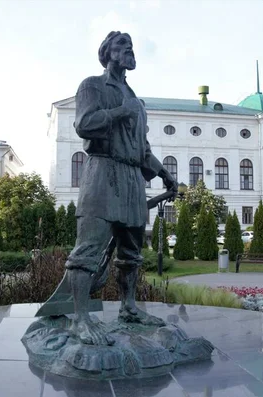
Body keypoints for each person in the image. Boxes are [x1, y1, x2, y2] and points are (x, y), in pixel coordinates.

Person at [66, 31, 178, 346]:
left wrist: (164, 174)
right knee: (87, 252)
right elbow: (84, 125)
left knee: (131, 253)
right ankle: (81, 319)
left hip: (131, 181)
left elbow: (142, 148)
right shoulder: (93, 85)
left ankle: (128, 309)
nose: (128, 49)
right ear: (107, 52)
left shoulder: (137, 101)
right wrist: (119, 112)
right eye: (121, 45)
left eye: (131, 46)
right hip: (101, 173)